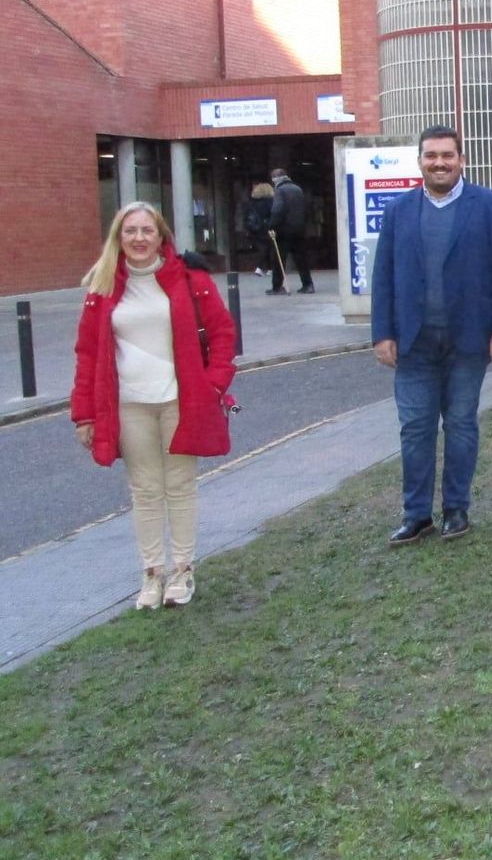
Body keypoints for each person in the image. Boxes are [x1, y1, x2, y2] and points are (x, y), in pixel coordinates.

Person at [70, 202, 237, 609]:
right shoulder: (103, 288)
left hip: (181, 401)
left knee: (178, 486)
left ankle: (182, 570)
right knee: (144, 490)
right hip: (129, 404)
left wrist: (212, 384)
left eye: (147, 231)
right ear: (118, 238)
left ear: (161, 237)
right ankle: (151, 574)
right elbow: (87, 354)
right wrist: (84, 413)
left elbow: (222, 333)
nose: (139, 239)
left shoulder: (190, 279)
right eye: (130, 231)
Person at [371, 126, 492, 546]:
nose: (439, 162)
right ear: (419, 161)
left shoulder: (491, 207)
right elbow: (383, 275)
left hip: (468, 340)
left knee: (459, 424)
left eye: (447, 155)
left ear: (462, 160)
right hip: (414, 343)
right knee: (415, 428)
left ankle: (457, 509)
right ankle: (416, 515)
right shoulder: (398, 211)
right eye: (431, 155)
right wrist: (381, 333)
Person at [265, 167, 314, 295]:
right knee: (301, 259)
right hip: (299, 229)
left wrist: (271, 226)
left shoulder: (280, 191)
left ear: (275, 179)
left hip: (283, 230)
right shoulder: (298, 189)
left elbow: (278, 210)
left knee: (278, 259)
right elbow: (306, 208)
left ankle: (277, 287)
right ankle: (308, 284)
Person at [245, 181, 274, 277]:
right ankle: (260, 267)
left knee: (265, 247)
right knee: (268, 248)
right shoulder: (270, 202)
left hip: (255, 228)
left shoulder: (252, 202)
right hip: (267, 227)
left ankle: (270, 268)